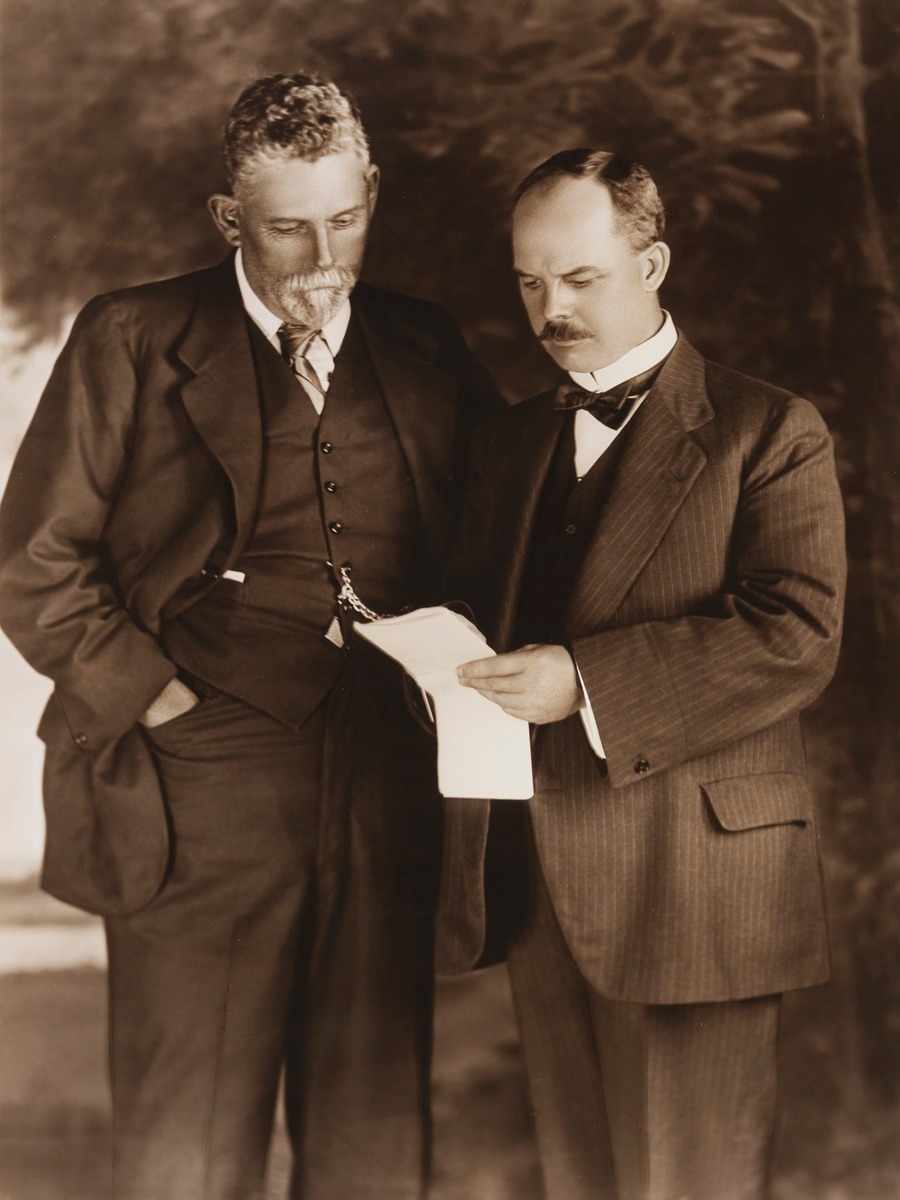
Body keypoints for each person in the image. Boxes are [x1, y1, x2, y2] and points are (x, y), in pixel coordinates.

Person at [0, 73, 497, 1200]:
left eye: (348, 215)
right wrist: (161, 703)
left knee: (373, 1132)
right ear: (229, 219)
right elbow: (30, 560)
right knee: (189, 1142)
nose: (325, 250)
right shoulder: (132, 336)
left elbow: (494, 541)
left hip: (385, 777)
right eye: (286, 226)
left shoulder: (427, 347)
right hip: (197, 782)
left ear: (372, 188)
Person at [440, 149, 846, 1200]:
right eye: (530, 281)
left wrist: (583, 681)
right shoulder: (510, 441)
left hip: (698, 884)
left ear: (653, 261)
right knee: (582, 1179)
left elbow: (798, 631)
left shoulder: (769, 430)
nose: (550, 307)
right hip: (542, 884)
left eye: (580, 278)